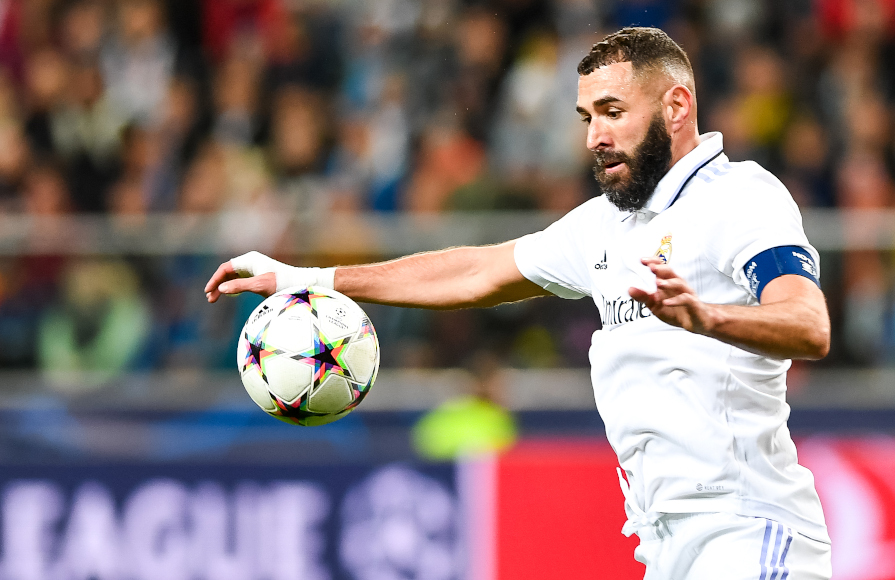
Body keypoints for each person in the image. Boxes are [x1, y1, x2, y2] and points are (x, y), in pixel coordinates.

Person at [206, 27, 832, 580]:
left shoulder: (739, 198)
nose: (595, 136)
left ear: (676, 106)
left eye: (613, 112)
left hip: (747, 532)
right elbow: (476, 272)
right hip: (665, 546)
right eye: (587, 117)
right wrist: (311, 278)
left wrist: (707, 318)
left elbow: (809, 323)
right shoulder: (603, 226)